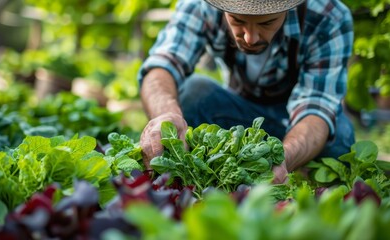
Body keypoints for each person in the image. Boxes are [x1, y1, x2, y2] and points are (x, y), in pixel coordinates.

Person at [137, 0, 355, 183]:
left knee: (340, 139)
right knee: (192, 92)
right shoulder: (201, 5)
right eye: (238, 20)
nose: (250, 37)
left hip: (297, 120)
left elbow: (317, 105)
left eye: (267, 22)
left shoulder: (328, 17)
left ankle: (295, 168)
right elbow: (163, 64)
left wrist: (284, 159)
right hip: (239, 116)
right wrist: (165, 116)